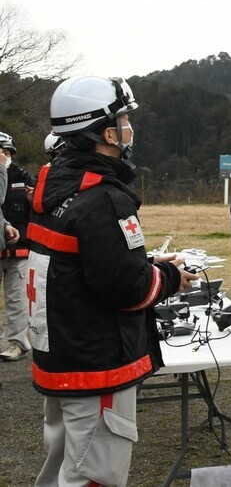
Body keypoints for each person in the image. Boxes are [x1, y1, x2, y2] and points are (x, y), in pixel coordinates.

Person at [28, 76, 198, 487]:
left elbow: (82, 261)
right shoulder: (104, 198)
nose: (129, 129)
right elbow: (130, 289)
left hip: (61, 354)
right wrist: (171, 277)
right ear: (106, 132)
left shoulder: (55, 183)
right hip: (95, 365)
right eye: (124, 119)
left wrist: (145, 259)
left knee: (62, 467)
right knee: (93, 476)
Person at [1, 131, 37, 361]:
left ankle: (18, 342)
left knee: (16, 298)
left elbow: (38, 211)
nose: (3, 157)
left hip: (19, 250)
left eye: (6, 152)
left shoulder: (24, 178)